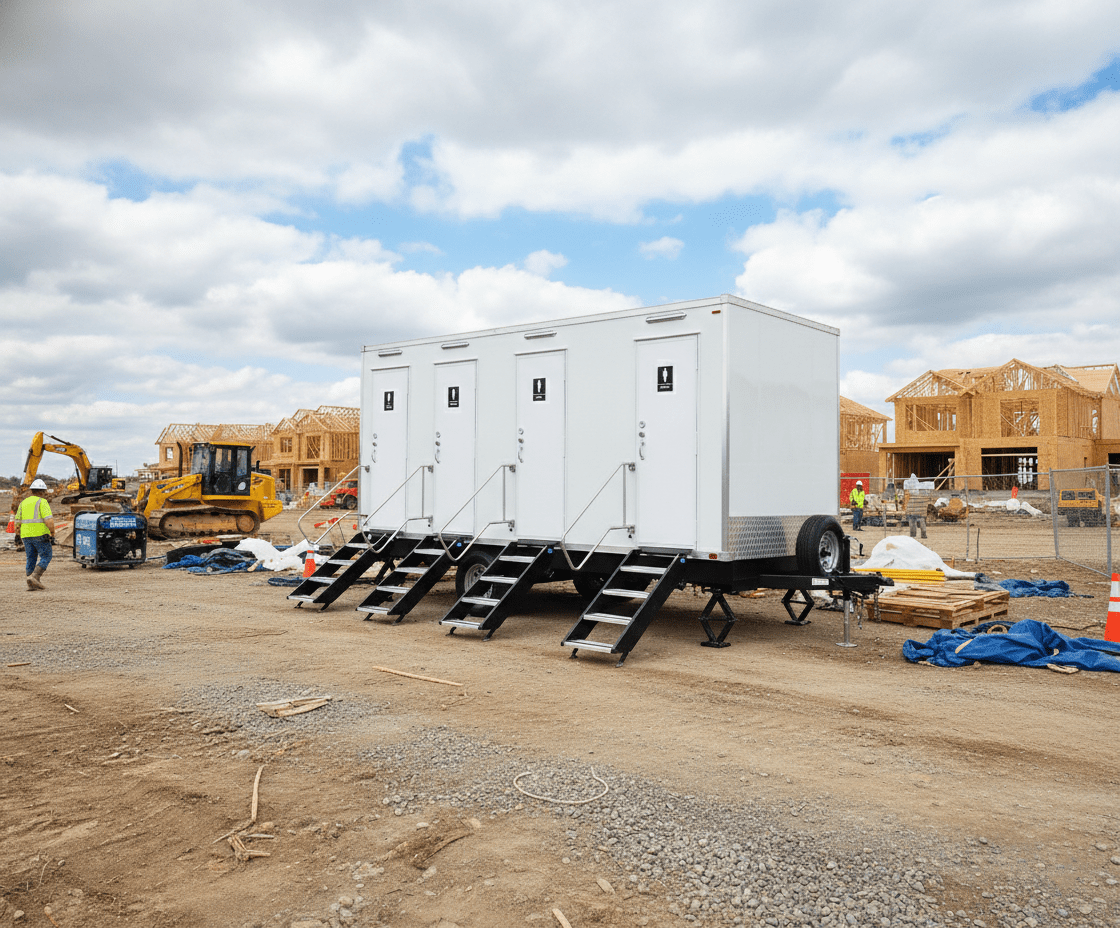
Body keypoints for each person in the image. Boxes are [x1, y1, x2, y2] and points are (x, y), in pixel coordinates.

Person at [16, 478, 56, 591]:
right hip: (40, 534)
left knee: (31, 557)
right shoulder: (42, 502)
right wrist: (52, 533)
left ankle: (31, 582)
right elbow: (49, 521)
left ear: (32, 490)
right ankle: (35, 577)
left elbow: (17, 520)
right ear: (42, 491)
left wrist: (17, 534)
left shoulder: (23, 503)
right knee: (46, 556)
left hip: (25, 535)